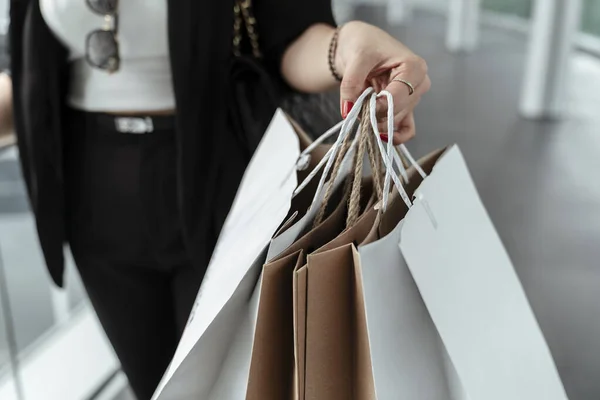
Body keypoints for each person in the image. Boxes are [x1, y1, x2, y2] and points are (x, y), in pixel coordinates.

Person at [0, 0, 431, 398]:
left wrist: (347, 46)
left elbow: (292, 36)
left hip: (226, 182)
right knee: (154, 387)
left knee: (242, 385)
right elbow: (28, 68)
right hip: (91, 197)